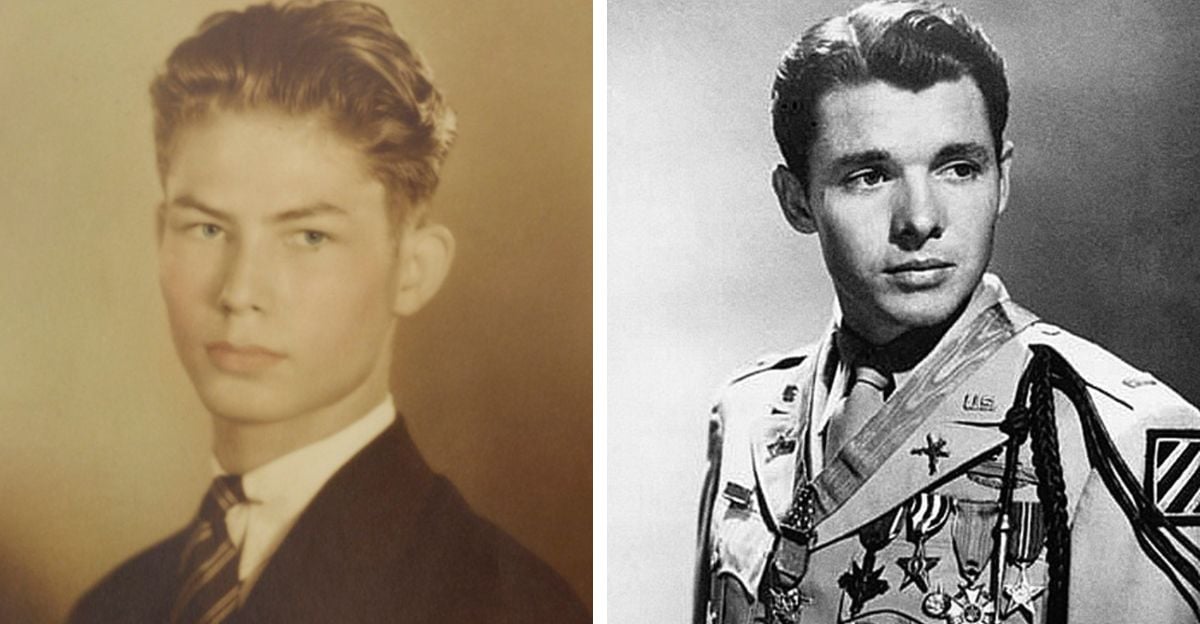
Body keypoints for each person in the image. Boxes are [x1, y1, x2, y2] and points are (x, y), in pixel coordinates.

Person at [68, 2, 588, 622]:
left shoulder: (498, 602)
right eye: (207, 228)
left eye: (308, 236)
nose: (240, 291)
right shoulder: (113, 606)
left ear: (413, 269)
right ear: (161, 238)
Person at [693, 2, 1200, 623]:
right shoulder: (747, 416)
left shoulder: (1118, 439)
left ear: (1002, 179)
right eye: (869, 176)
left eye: (958, 168)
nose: (921, 220)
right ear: (796, 200)